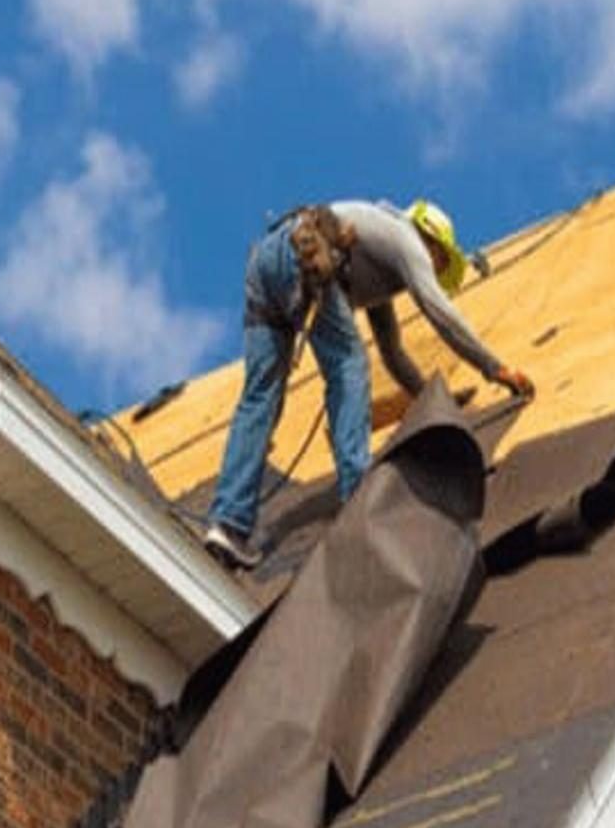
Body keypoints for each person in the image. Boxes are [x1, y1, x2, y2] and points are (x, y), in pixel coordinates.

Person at [204, 199, 535, 569]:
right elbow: (440, 312)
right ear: (431, 240)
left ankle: (227, 525)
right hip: (307, 254)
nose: (436, 269)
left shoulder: (374, 261)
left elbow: (392, 353)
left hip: (268, 263)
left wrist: (434, 401)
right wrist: (496, 369)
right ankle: (357, 495)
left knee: (261, 398)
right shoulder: (405, 240)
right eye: (441, 260)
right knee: (348, 365)